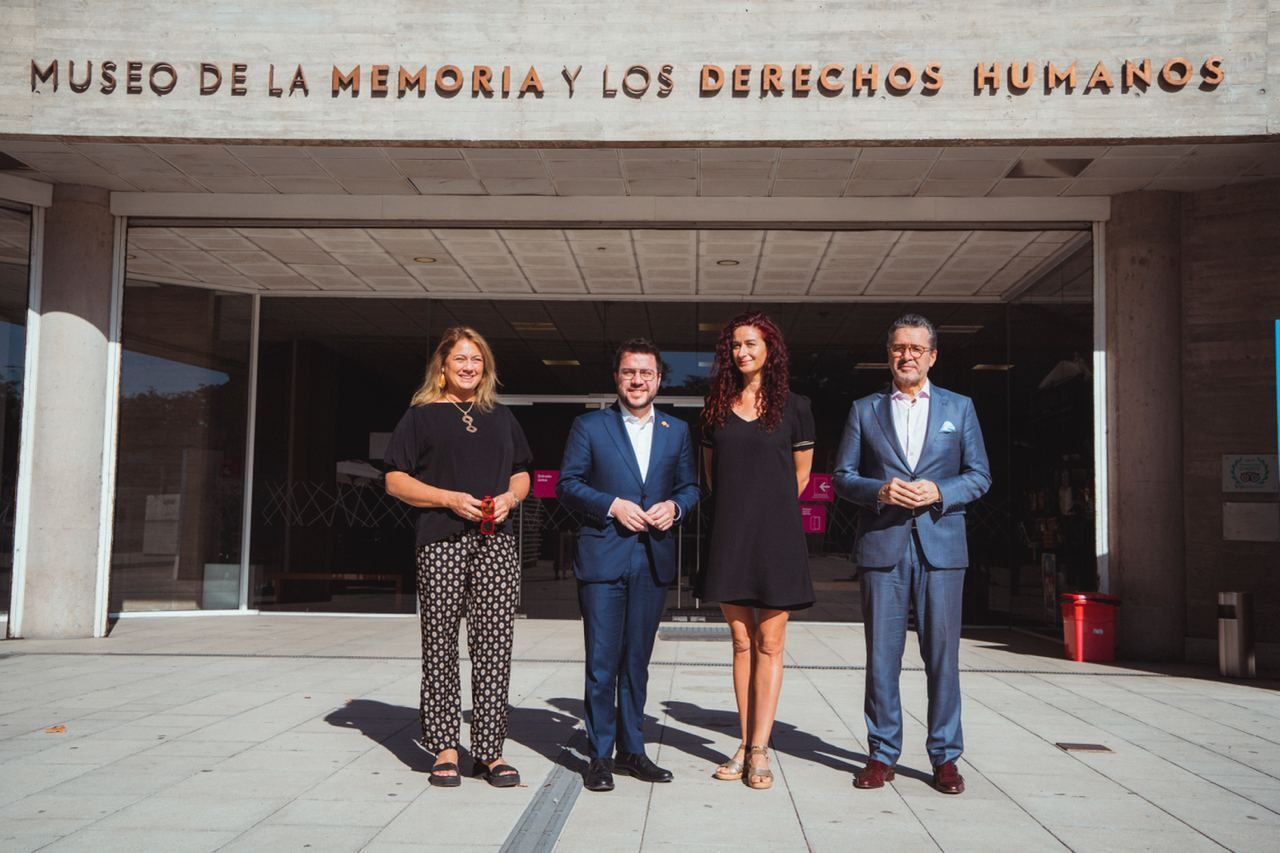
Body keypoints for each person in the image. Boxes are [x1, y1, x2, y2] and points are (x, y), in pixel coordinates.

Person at [833, 313, 991, 795]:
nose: (907, 356)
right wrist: (881, 491)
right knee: (882, 658)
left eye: (917, 349)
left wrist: (938, 490)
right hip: (884, 548)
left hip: (941, 549)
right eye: (899, 348)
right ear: (889, 355)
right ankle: (882, 754)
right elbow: (841, 477)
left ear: (932, 356)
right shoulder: (865, 409)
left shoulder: (959, 408)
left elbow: (980, 475)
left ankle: (945, 757)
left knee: (943, 657)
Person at [383, 326, 532, 789]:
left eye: (476, 360)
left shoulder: (502, 417)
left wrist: (511, 497)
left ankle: (489, 751)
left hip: (496, 542)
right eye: (460, 359)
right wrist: (447, 499)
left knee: (494, 647)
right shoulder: (421, 416)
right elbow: (395, 480)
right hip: (441, 541)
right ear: (443, 367)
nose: (469, 367)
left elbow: (523, 472)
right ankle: (445, 746)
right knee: (440, 644)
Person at [556, 338, 700, 793]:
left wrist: (674, 509)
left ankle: (632, 750)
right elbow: (568, 485)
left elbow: (691, 487)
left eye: (646, 373)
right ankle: (599, 755)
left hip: (652, 558)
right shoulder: (589, 426)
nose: (637, 380)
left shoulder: (676, 430)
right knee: (602, 663)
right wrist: (612, 505)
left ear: (659, 379)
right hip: (603, 555)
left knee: (637, 661)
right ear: (617, 378)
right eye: (628, 373)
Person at [700, 312, 815, 791]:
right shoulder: (716, 407)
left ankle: (760, 748)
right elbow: (711, 477)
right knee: (741, 642)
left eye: (750, 343)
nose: (742, 352)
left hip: (777, 539)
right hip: (730, 535)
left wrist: (768, 515)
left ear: (771, 347)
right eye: (735, 346)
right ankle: (744, 744)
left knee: (770, 643)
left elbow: (801, 477)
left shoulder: (796, 406)